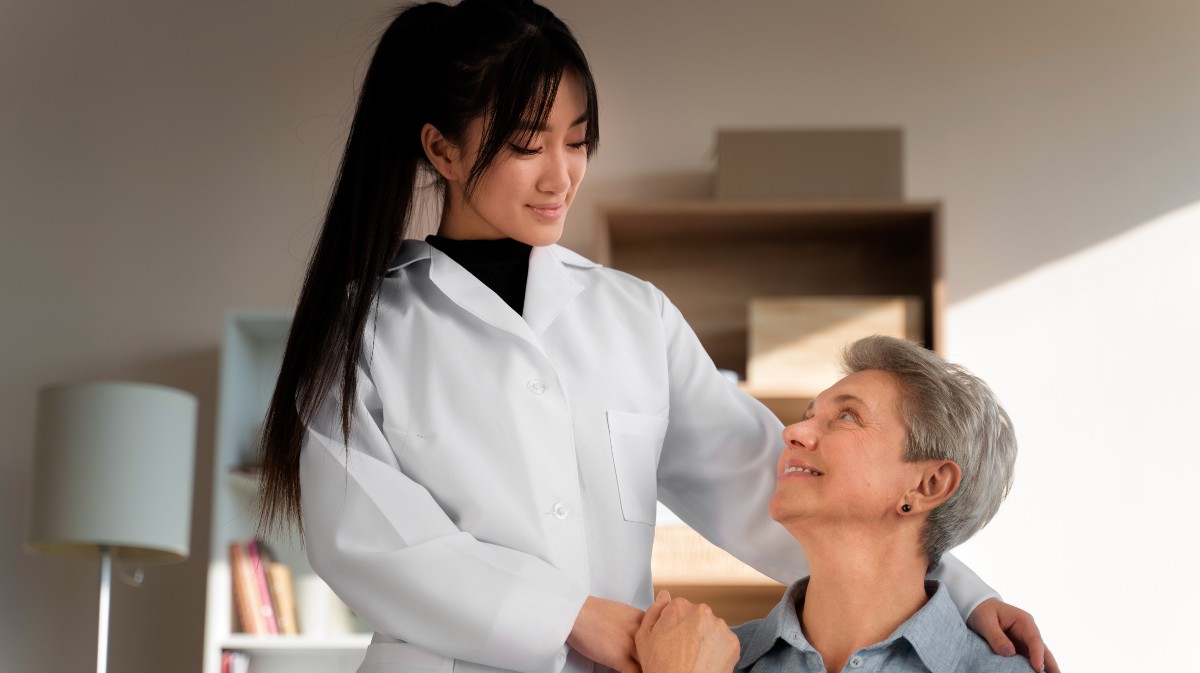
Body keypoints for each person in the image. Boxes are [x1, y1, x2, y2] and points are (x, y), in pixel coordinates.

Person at [254, 2, 1053, 672]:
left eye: (578, 140)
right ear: (442, 148)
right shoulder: (362, 333)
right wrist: (572, 615)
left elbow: (769, 483)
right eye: (529, 144)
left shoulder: (632, 316)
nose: (561, 175)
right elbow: (373, 543)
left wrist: (963, 595)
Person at [635, 336, 1057, 673]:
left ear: (928, 484)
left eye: (848, 416)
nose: (792, 432)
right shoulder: (707, 660)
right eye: (808, 414)